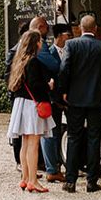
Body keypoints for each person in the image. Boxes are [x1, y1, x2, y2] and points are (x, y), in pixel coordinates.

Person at [59, 14, 101, 193]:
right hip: (96, 99)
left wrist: (63, 92)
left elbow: (64, 69)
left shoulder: (71, 45)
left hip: (75, 99)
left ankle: (70, 181)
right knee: (94, 139)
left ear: (81, 29)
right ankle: (92, 181)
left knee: (74, 138)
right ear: (95, 29)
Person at [7, 29, 55, 193]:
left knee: (25, 143)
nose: (42, 43)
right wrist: (48, 86)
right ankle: (33, 181)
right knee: (33, 144)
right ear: (35, 43)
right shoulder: (33, 62)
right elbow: (36, 85)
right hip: (31, 105)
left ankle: (25, 178)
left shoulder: (19, 60)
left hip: (21, 103)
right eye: (40, 41)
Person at [40, 24, 71, 183]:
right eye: (68, 34)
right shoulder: (49, 53)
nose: (71, 37)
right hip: (54, 101)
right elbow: (48, 77)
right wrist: (55, 99)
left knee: (60, 133)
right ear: (60, 36)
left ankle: (61, 164)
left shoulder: (70, 51)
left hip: (67, 100)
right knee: (51, 133)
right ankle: (52, 168)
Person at [4, 20, 30, 170]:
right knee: (17, 127)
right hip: (18, 95)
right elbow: (8, 75)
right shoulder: (14, 51)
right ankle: (19, 161)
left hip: (28, 96)